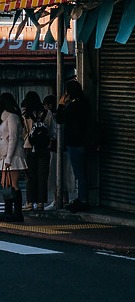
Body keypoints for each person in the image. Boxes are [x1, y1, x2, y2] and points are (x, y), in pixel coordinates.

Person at [56, 80, 93, 213]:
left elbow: (59, 118)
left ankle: (82, 199)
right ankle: (81, 198)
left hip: (74, 143)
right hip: (86, 142)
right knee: (83, 172)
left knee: (79, 173)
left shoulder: (72, 106)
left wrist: (61, 104)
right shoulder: (85, 103)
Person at [0, 92, 27, 222]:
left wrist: (9, 159)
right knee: (5, 183)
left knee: (13, 183)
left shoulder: (12, 118)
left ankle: (16, 213)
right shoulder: (6, 117)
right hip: (5, 154)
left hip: (13, 155)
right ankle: (9, 212)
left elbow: (13, 138)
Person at [22, 91, 53, 211]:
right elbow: (51, 131)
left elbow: (24, 133)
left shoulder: (26, 115)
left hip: (30, 147)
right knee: (42, 175)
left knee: (30, 176)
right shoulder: (47, 113)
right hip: (44, 148)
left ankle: (30, 202)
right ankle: (41, 202)